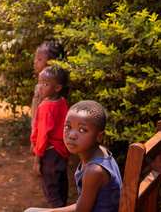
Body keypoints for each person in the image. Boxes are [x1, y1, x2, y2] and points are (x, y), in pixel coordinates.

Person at [25, 101, 122, 212]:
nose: (71, 135)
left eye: (83, 130)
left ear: (99, 136)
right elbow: (82, 204)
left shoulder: (94, 171)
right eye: (68, 126)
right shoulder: (102, 152)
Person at [31, 66, 70, 208]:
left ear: (58, 87)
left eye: (45, 84)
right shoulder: (63, 102)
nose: (40, 87)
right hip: (61, 152)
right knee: (61, 187)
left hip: (49, 155)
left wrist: (37, 162)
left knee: (52, 193)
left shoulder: (45, 107)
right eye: (39, 82)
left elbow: (42, 136)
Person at [31, 42, 66, 153]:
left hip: (45, 145)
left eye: (39, 59)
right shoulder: (48, 89)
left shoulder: (47, 93)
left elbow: (42, 123)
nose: (35, 62)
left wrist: (35, 145)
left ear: (51, 63)